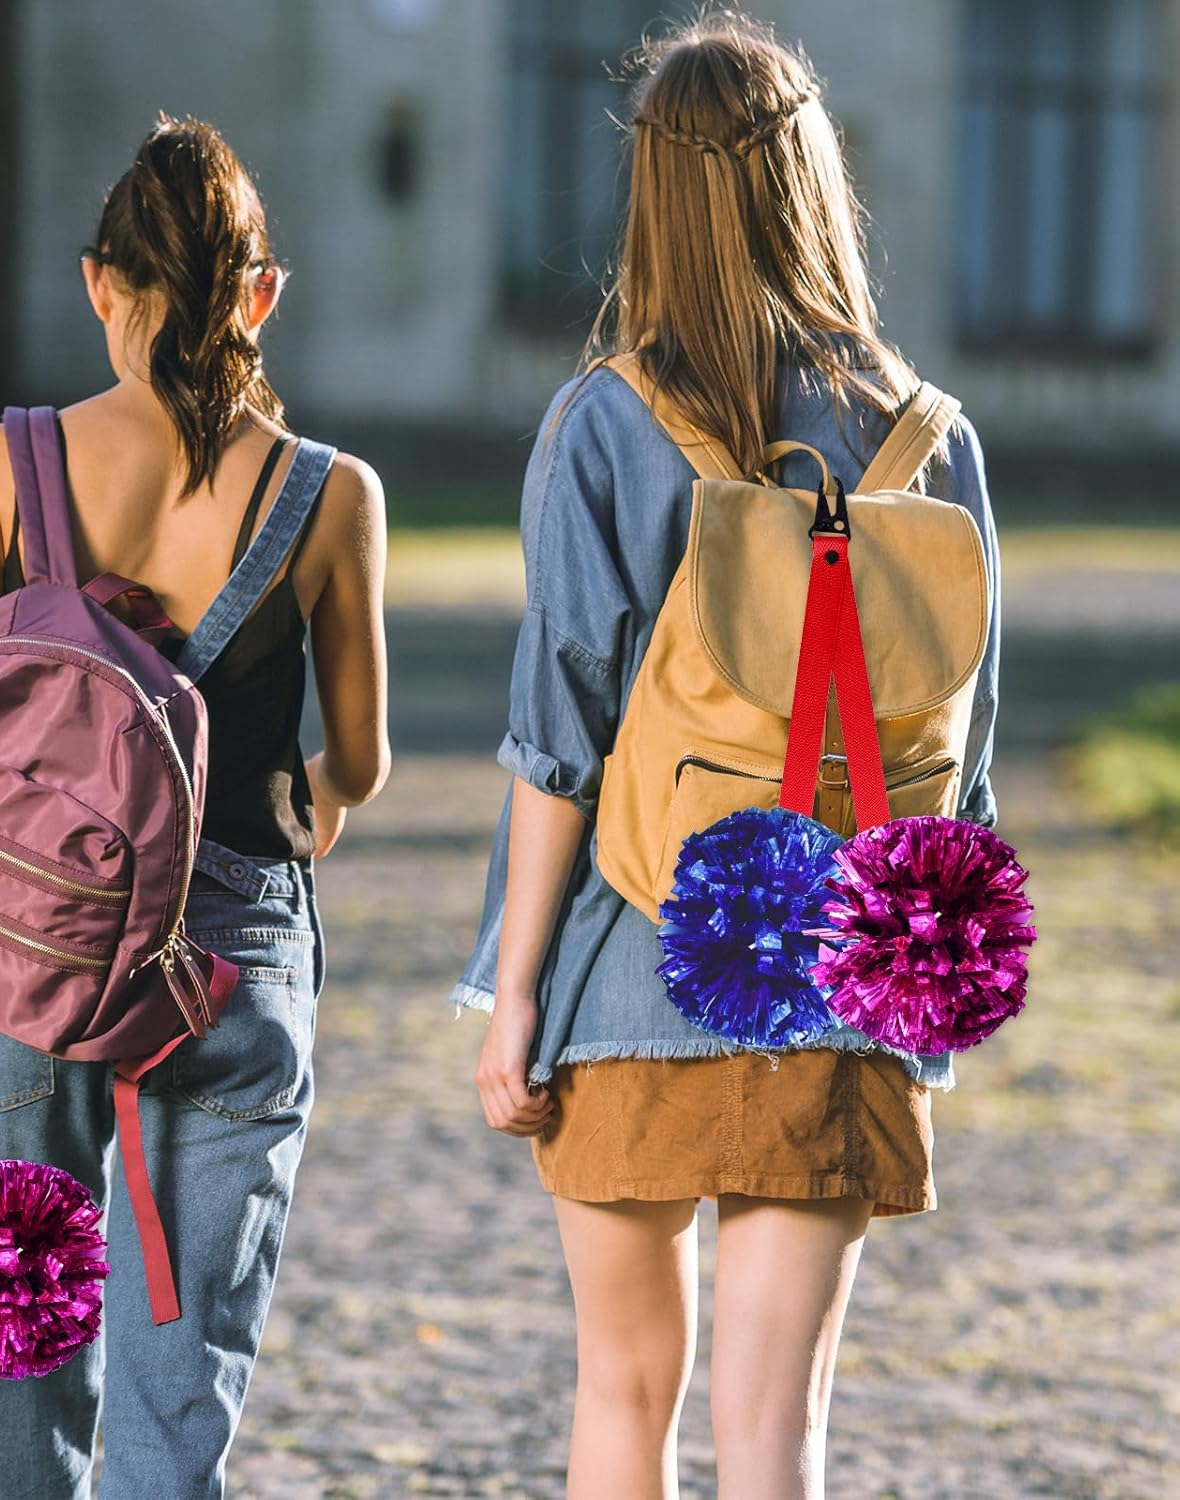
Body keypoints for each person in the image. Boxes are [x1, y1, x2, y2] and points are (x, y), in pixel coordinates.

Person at [0, 113, 390, 1498]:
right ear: (263, 295)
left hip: (20, 945)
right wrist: (329, 805)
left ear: (97, 285)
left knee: (21, 1359)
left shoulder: (11, 464)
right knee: (187, 1396)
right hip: (232, 952)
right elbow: (359, 759)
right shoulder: (330, 497)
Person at [452, 15, 1000, 1500]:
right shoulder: (927, 439)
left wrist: (512, 1000)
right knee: (780, 1440)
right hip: (841, 983)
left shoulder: (602, 423)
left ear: (654, 193)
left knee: (623, 1398)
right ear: (814, 178)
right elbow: (967, 756)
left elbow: (557, 741)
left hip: (633, 965)